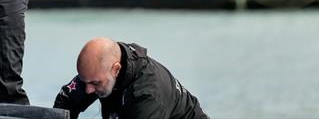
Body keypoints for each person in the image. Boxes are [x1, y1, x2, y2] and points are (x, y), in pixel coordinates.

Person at [53, 38, 209, 119]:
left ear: (116, 69)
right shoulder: (97, 71)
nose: (88, 90)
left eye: (94, 83)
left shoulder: (147, 95)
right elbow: (66, 103)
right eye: (84, 81)